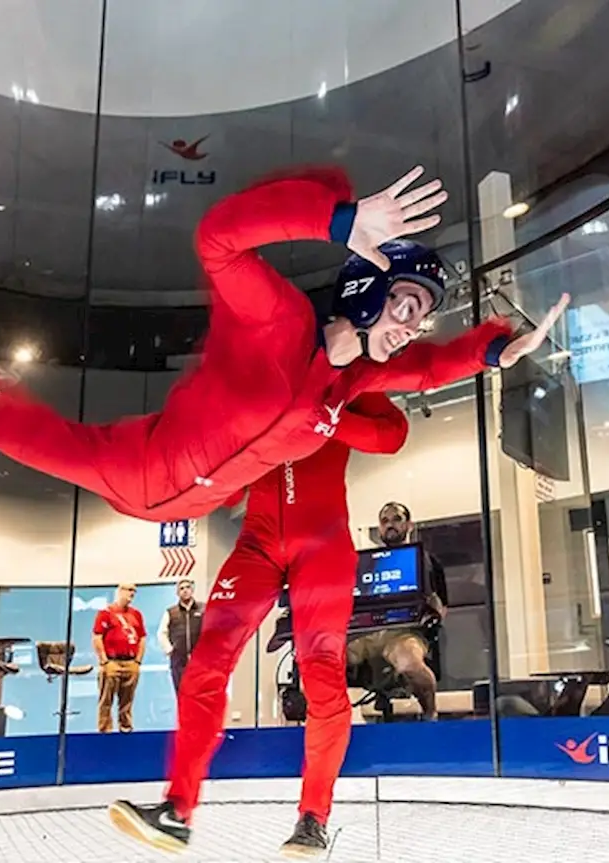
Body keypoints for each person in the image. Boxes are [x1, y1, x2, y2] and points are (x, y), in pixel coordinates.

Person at [108, 265, 567, 856]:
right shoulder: (261, 377)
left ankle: (313, 818)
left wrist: (332, 415)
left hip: (321, 548)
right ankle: (177, 809)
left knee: (322, 673)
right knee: (206, 662)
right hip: (257, 543)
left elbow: (395, 428)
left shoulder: (354, 374)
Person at [0, 165, 531, 522]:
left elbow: (429, 370)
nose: (411, 326)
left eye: (421, 317)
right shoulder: (280, 320)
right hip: (135, 466)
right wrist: (333, 219)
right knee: (10, 430)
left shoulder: (349, 382)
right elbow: (217, 239)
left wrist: (496, 349)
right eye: (407, 304)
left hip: (192, 505)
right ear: (367, 290)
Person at [347, 501, 450, 721]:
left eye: (396, 519)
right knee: (326, 658)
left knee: (408, 662)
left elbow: (442, 607)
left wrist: (431, 613)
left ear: (409, 525)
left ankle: (430, 715)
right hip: (364, 633)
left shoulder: (428, 562)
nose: (390, 525)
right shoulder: (366, 564)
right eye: (384, 521)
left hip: (405, 632)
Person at [93, 584, 146, 733]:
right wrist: (104, 660)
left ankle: (126, 728)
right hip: (112, 662)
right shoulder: (106, 613)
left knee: (127, 700)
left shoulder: (136, 614)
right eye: (129, 590)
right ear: (120, 591)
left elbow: (142, 637)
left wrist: (138, 660)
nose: (132, 593)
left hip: (130, 662)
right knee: (106, 699)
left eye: (134, 591)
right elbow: (97, 637)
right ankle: (105, 731)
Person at [157, 579, 203, 693]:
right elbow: (162, 633)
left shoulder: (203, 609)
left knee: (200, 693)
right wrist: (170, 650)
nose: (185, 590)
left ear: (192, 590)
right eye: (181, 589)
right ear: (177, 593)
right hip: (179, 661)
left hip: (199, 660)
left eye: (188, 587)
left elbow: (211, 631)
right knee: (181, 692)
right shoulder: (171, 612)